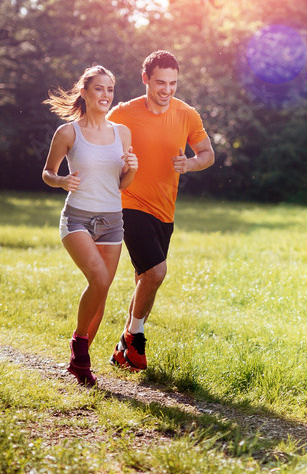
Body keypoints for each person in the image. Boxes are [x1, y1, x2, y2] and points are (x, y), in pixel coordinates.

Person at [106, 50, 214, 371]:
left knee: (145, 279)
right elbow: (95, 136)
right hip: (128, 203)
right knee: (157, 272)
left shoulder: (187, 114)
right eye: (160, 83)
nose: (167, 89)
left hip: (165, 211)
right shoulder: (123, 113)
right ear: (146, 80)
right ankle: (136, 339)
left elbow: (207, 153)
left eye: (173, 83)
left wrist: (191, 163)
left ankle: (122, 347)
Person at [42, 65, 138, 386]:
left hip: (112, 219)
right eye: (99, 89)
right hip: (77, 218)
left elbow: (123, 184)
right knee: (98, 277)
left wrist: (133, 169)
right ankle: (79, 346)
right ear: (85, 92)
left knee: (102, 289)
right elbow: (48, 173)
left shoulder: (121, 133)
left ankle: (80, 362)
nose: (106, 95)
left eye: (110, 90)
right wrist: (61, 181)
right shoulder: (68, 133)